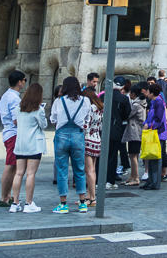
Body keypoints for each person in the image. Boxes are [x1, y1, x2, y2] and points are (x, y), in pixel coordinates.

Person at [50, 75, 90, 213]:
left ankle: (63, 204)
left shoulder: (58, 101)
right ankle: (83, 202)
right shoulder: (85, 101)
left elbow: (53, 119)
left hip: (61, 135)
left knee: (62, 170)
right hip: (78, 135)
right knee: (79, 169)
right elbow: (87, 118)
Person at [9, 82, 47, 213]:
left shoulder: (19, 108)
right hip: (34, 145)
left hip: (20, 144)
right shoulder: (39, 110)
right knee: (31, 174)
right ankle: (29, 203)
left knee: (18, 173)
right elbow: (44, 125)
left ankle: (14, 203)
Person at [0, 68, 26, 208]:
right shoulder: (14, 98)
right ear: (19, 82)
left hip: (8, 132)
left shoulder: (6, 95)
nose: (24, 83)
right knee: (11, 165)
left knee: (13, 166)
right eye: (24, 80)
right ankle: (4, 197)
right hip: (13, 133)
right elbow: (16, 120)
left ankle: (6, 195)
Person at [141, 81, 167, 190]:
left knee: (156, 158)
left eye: (148, 91)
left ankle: (155, 183)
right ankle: (151, 181)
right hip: (152, 132)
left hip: (158, 133)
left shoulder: (158, 102)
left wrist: (150, 125)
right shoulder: (154, 102)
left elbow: (159, 119)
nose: (147, 93)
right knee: (150, 156)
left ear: (152, 93)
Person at [105, 77, 130, 189]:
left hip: (103, 129)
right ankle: (110, 180)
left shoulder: (103, 96)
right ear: (123, 86)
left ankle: (98, 180)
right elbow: (126, 114)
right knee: (113, 155)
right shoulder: (124, 99)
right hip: (116, 129)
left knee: (102, 155)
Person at [122, 83, 147, 185]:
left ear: (133, 94)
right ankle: (132, 176)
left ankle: (136, 177)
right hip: (138, 132)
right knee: (133, 155)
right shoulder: (142, 103)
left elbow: (128, 115)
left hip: (135, 132)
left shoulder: (136, 105)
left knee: (133, 155)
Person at [83, 90, 104, 205]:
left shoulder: (90, 108)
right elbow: (100, 126)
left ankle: (92, 198)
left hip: (88, 140)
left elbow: (86, 125)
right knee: (93, 170)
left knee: (89, 170)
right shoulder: (100, 108)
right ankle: (90, 195)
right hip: (97, 139)